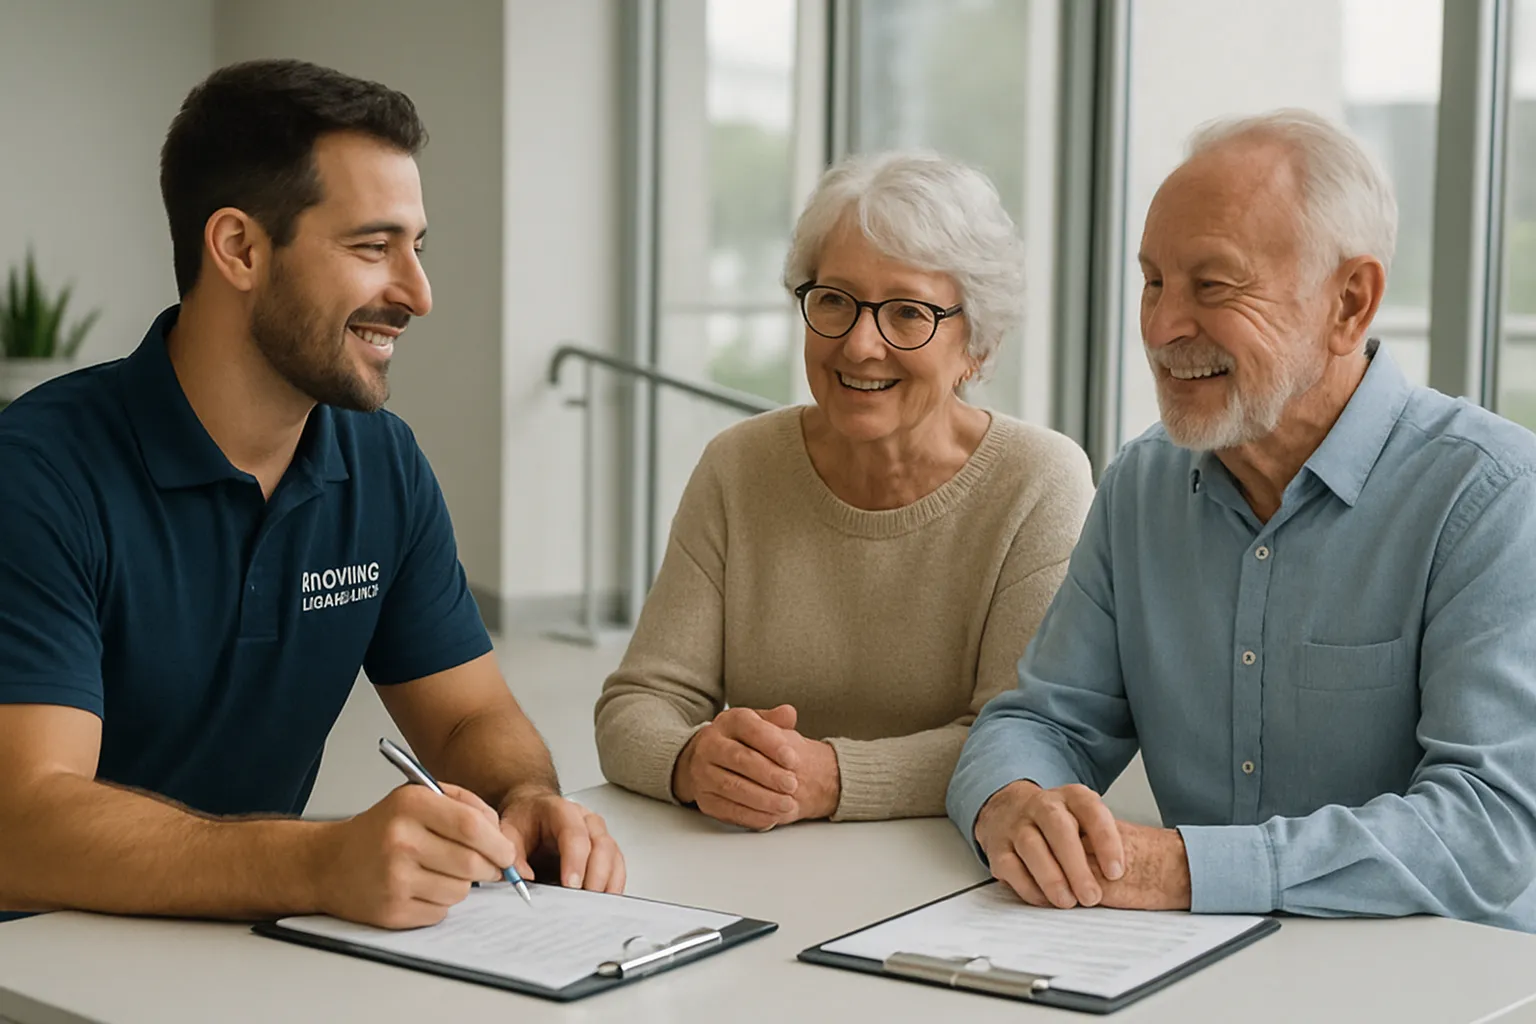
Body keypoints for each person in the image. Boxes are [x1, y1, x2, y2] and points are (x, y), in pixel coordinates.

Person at [0, 59, 623, 930]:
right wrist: (323, 861)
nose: (418, 293)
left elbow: (469, 714)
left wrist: (524, 795)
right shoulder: (37, 472)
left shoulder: (380, 463)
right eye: (373, 247)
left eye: (417, 246)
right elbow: (25, 826)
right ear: (240, 249)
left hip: (250, 950)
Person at [948, 109, 1536, 931]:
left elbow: (1491, 829)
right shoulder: (1141, 487)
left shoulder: (1494, 495)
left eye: (1212, 286)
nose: (1160, 329)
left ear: (1350, 303)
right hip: (1189, 972)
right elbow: (1039, 721)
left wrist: (1185, 868)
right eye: (1152, 281)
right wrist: (1013, 803)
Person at [595, 151, 1095, 828]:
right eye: (834, 300)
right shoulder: (739, 465)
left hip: (952, 871)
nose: (860, 345)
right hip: (751, 863)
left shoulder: (1039, 481)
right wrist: (692, 758)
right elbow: (637, 703)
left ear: (979, 342)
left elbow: (1027, 738)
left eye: (908, 313)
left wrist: (833, 778)